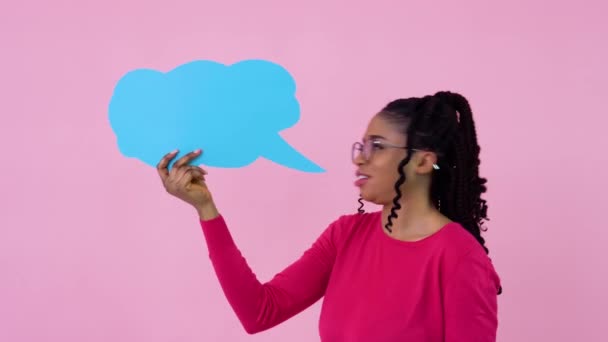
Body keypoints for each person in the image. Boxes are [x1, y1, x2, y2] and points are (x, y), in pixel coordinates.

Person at [156, 91, 502, 341]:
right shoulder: (345, 236)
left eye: (377, 146)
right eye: (361, 146)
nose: (360, 158)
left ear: (424, 162)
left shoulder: (459, 258)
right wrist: (206, 209)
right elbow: (259, 311)